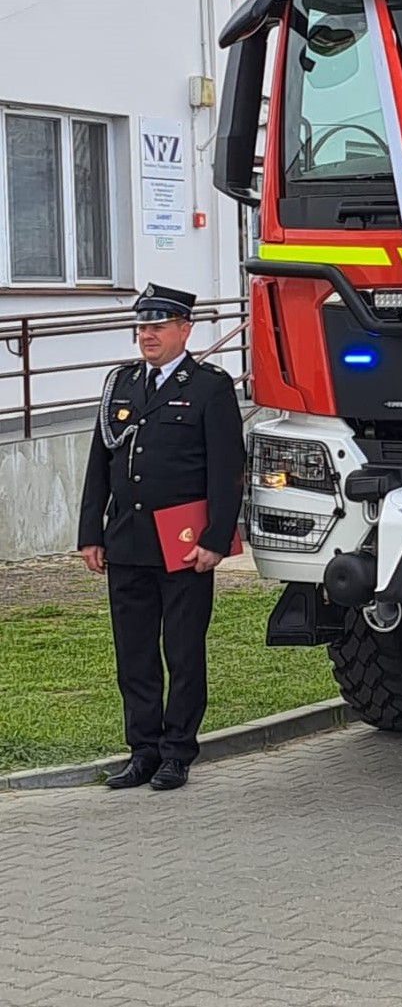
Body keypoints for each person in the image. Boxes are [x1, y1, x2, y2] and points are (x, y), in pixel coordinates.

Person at [77, 284, 245, 792]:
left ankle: (177, 752)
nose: (147, 335)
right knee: (134, 653)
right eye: (142, 327)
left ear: (184, 330)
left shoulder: (209, 387)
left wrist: (216, 539)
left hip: (183, 544)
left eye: (158, 326)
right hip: (127, 541)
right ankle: (143, 750)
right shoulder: (122, 383)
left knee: (183, 650)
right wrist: (92, 533)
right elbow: (99, 465)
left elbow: (226, 470)